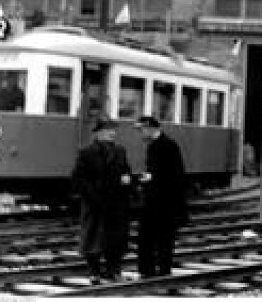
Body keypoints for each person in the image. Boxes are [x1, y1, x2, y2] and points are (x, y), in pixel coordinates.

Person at [71, 117, 132, 283]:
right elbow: (78, 179)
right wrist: (93, 197)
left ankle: (114, 271)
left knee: (116, 241)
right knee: (93, 241)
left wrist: (127, 181)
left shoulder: (120, 151)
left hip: (116, 204)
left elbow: (126, 171)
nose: (113, 133)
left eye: (114, 130)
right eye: (108, 130)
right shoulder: (86, 153)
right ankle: (94, 272)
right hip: (95, 205)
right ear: (98, 133)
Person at [133, 115, 187, 278]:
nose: (140, 134)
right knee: (159, 238)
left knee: (155, 237)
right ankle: (156, 270)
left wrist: (151, 178)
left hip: (162, 202)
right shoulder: (162, 144)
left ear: (150, 128)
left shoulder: (163, 146)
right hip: (160, 201)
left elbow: (172, 175)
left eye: (141, 130)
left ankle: (153, 271)